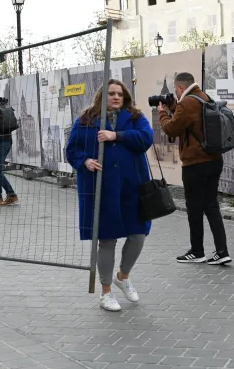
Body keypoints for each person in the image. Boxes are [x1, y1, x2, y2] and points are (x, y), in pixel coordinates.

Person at [66, 79, 154, 312]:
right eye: (111, 94)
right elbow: (72, 149)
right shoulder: (86, 120)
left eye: (120, 94)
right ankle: (106, 292)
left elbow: (146, 138)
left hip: (132, 187)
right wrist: (85, 161)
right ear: (102, 97)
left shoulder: (135, 117)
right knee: (107, 239)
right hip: (101, 188)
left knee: (139, 235)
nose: (116, 97)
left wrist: (118, 136)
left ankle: (123, 276)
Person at [159, 72, 231, 266]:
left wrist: (163, 113)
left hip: (195, 164)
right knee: (211, 205)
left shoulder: (186, 103)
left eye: (175, 89)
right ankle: (222, 251)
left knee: (194, 208)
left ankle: (197, 251)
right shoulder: (204, 98)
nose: (175, 93)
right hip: (214, 160)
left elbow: (172, 129)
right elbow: (191, 123)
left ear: (181, 88)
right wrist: (175, 107)